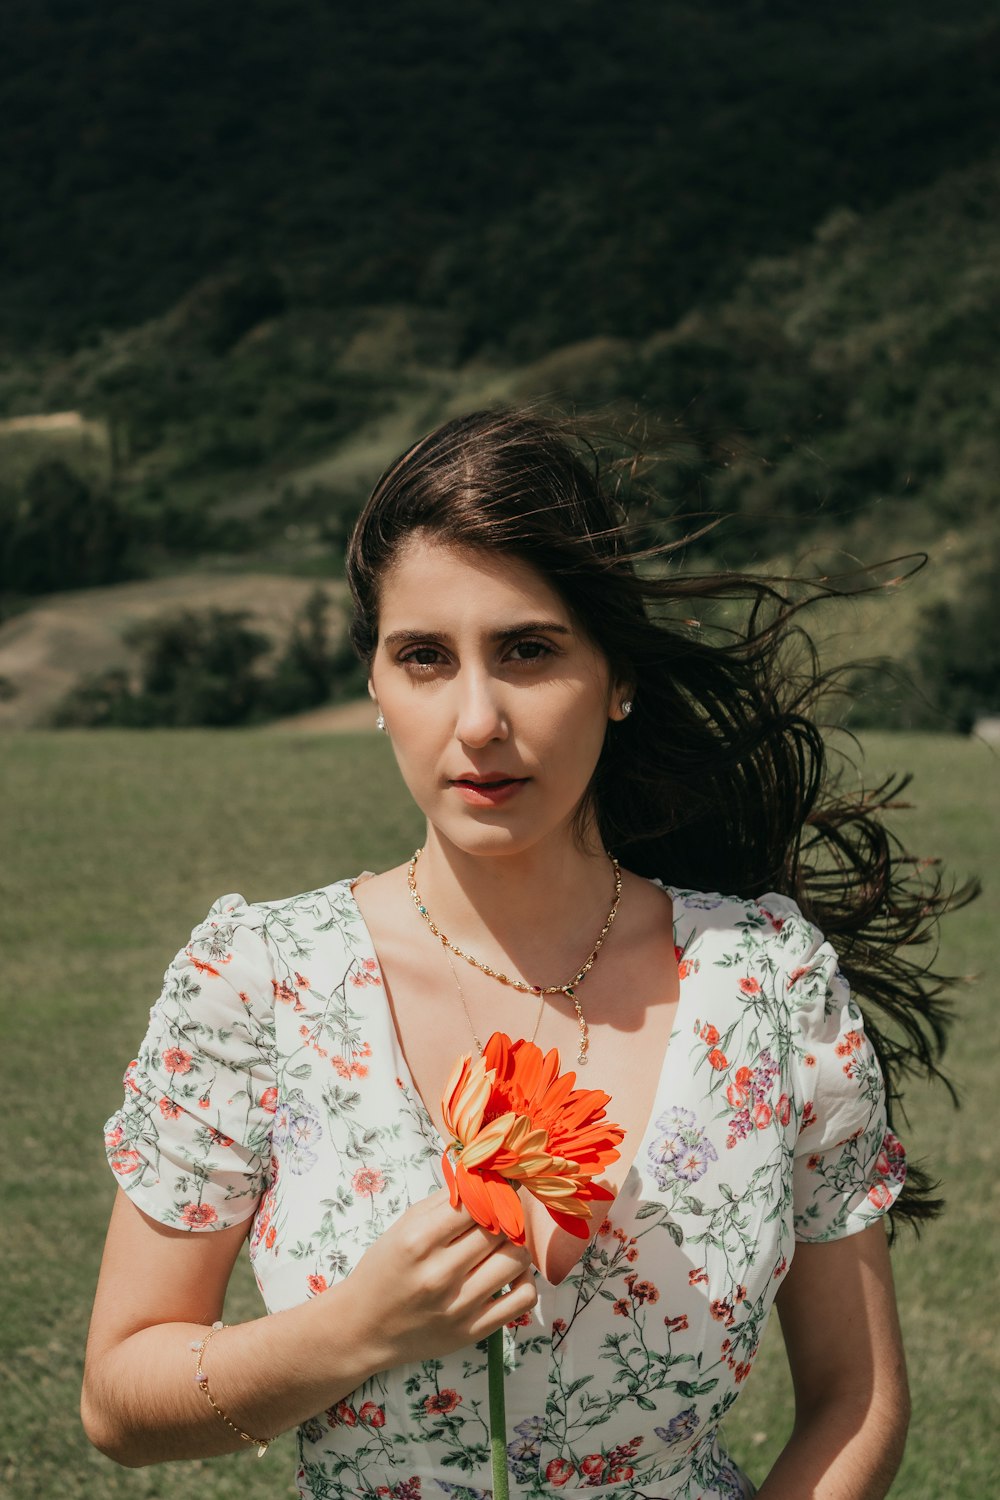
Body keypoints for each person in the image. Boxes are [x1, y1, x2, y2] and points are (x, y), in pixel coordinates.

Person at [82, 407, 963, 1499]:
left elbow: (856, 1396)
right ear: (374, 687)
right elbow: (120, 1399)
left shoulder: (771, 985)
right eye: (423, 659)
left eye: (528, 650)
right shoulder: (257, 983)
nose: (478, 719)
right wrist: (352, 1331)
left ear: (617, 676)